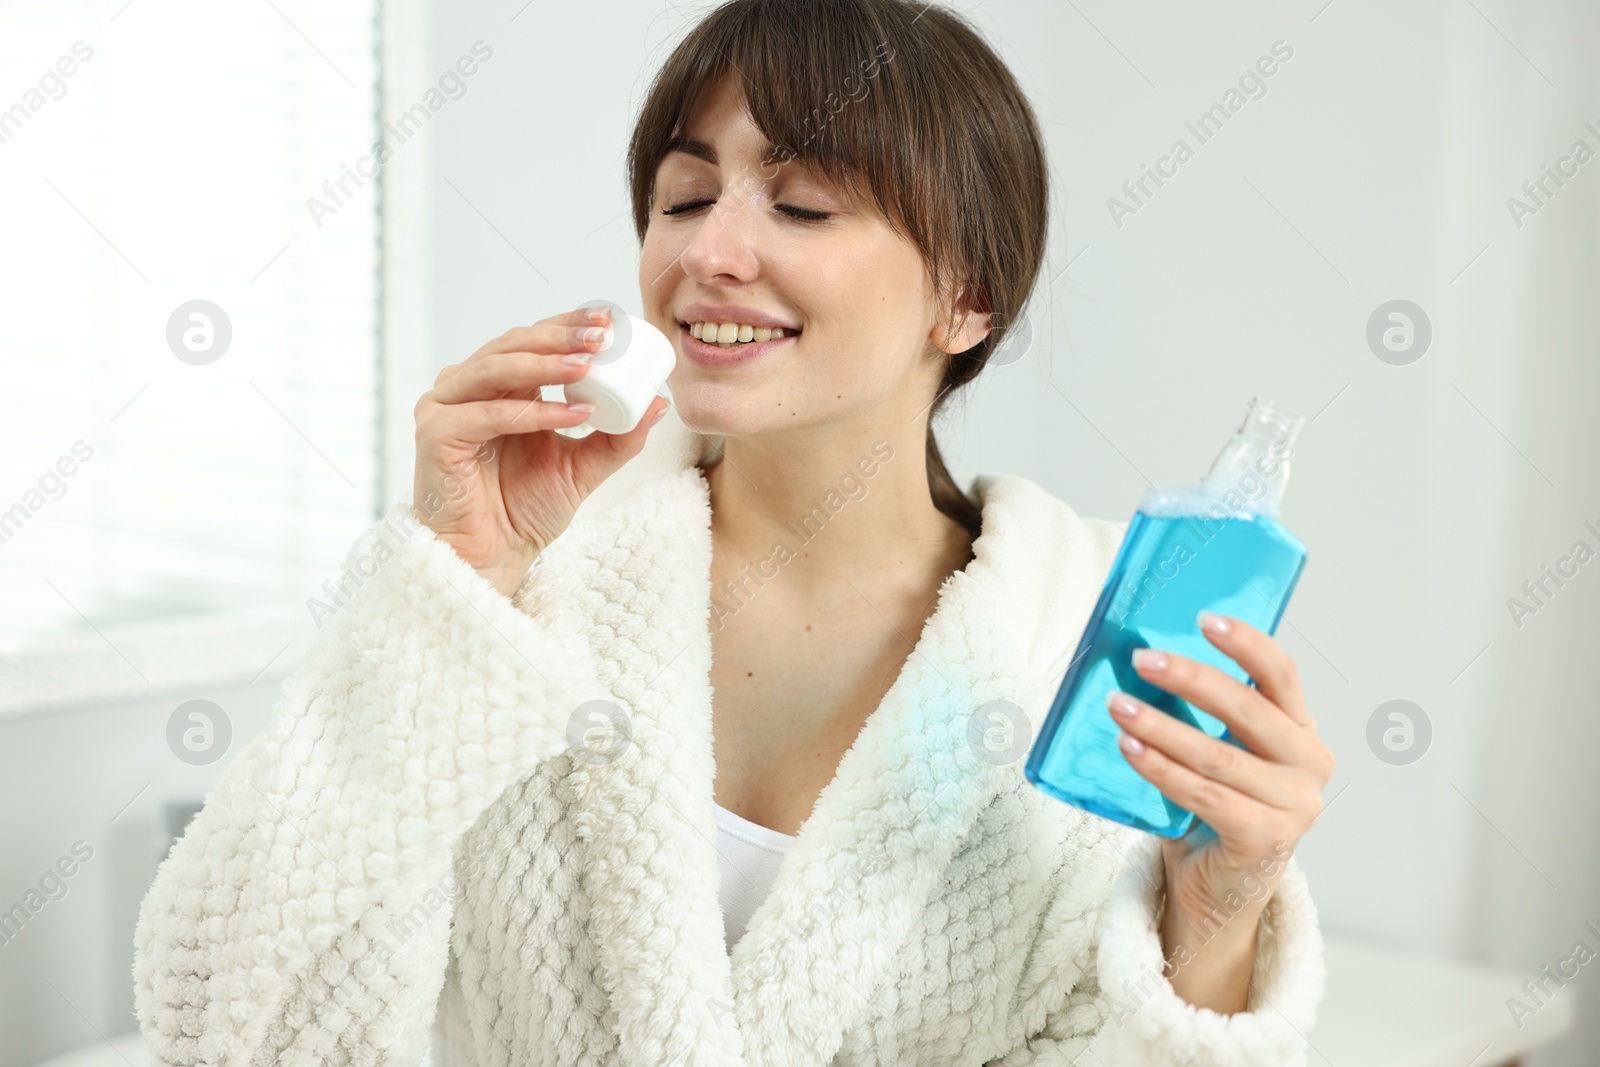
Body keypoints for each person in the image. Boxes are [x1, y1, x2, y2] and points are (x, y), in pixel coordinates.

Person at [132, 1, 1335, 1063]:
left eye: (803, 203)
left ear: (968, 296)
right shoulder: (518, 588)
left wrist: (1218, 910)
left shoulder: (1081, 659)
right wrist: (452, 587)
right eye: (684, 195)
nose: (708, 253)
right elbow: (223, 1026)